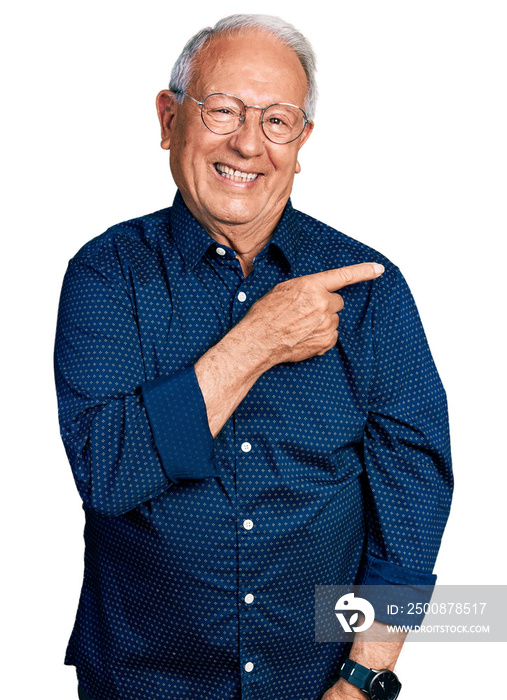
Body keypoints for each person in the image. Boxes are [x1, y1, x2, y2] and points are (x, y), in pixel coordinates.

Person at [54, 13, 453, 700]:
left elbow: (413, 498)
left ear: (300, 143)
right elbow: (110, 472)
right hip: (141, 681)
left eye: (275, 121)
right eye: (223, 110)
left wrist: (366, 673)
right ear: (168, 118)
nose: (247, 143)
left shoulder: (368, 288)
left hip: (319, 681)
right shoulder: (106, 275)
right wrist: (258, 340)